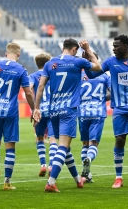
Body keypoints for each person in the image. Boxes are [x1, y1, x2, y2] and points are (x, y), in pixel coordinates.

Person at [84, 35, 128, 188]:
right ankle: (118, 177)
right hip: (118, 108)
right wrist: (88, 58)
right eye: (113, 46)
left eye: (116, 46)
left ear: (126, 46)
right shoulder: (110, 62)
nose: (113, 48)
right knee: (119, 141)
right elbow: (92, 74)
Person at [33, 38, 102, 193]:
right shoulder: (77, 62)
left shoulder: (50, 63)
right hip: (68, 110)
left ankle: (77, 179)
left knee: (66, 148)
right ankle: (51, 182)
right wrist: (88, 49)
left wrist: (36, 108)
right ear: (74, 49)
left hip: (53, 110)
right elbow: (98, 66)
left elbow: (41, 86)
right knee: (63, 146)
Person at [0, 42, 35, 190]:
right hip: (10, 111)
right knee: (10, 146)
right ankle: (7, 182)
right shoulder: (20, 69)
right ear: (18, 55)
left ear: (6, 53)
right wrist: (34, 109)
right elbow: (28, 92)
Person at [78, 52, 111, 183]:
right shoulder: (104, 75)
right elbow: (113, 92)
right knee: (94, 143)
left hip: (82, 113)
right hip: (98, 112)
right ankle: (89, 159)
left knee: (85, 143)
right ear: (96, 60)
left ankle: (86, 175)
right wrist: (103, 98)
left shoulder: (78, 75)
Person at [29, 53, 58, 177]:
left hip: (39, 111)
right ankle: (52, 165)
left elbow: (29, 89)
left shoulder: (33, 76)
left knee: (39, 138)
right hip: (53, 110)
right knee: (52, 139)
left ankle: (43, 165)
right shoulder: (53, 75)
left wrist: (34, 108)